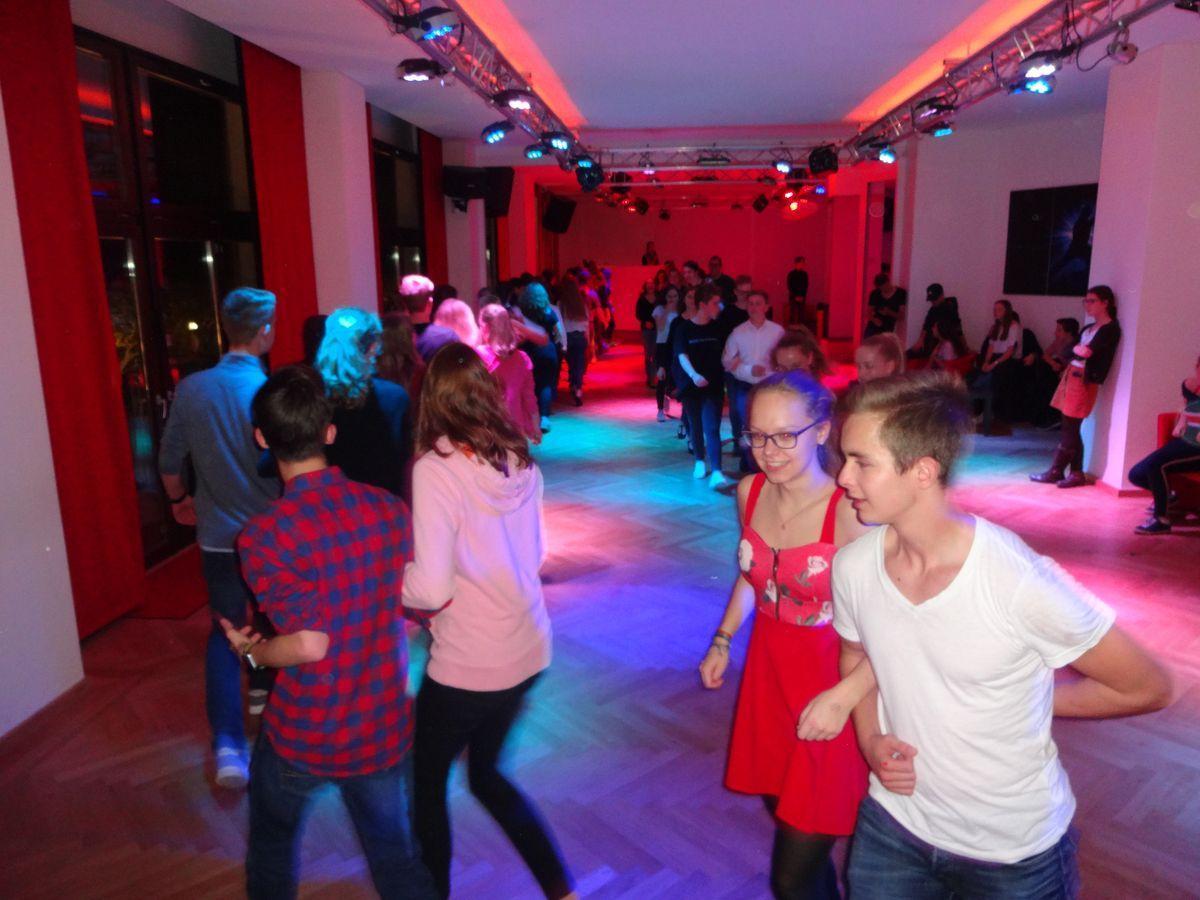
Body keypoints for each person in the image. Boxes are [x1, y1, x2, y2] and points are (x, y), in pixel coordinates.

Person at [832, 371, 1173, 898]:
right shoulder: (854, 567)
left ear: (922, 471)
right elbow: (856, 653)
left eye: (861, 462)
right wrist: (869, 738)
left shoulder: (1015, 581)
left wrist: (1029, 701)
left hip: (1012, 854)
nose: (843, 478)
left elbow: (1148, 686)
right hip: (894, 826)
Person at [222, 366, 437, 900]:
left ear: (263, 439)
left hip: (304, 732)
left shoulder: (263, 536)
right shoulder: (389, 510)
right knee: (397, 863)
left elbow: (309, 643)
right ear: (329, 432)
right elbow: (411, 614)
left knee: (271, 851)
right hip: (382, 724)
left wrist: (253, 653)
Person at [403, 344, 576, 900]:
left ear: (431, 399)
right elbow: (537, 554)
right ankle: (561, 889)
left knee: (425, 784)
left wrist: (390, 580)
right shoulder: (519, 457)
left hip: (470, 664)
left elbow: (430, 588)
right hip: (528, 649)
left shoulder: (436, 470)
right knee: (486, 776)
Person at [700, 369, 872, 898]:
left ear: (821, 431)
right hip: (768, 679)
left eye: (783, 436)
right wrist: (724, 637)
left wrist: (846, 697)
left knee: (790, 878)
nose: (767, 452)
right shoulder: (750, 492)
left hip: (831, 686)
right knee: (789, 824)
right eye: (756, 435)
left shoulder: (852, 512)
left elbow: (897, 626)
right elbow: (753, 574)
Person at [158, 286, 280, 789]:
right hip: (269, 536)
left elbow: (169, 463)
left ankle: (229, 744)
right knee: (272, 621)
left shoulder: (192, 389)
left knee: (225, 631)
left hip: (217, 537)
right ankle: (267, 708)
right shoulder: (269, 392)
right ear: (264, 331)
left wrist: (178, 501)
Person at [1031, 286, 1122, 488]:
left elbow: (1087, 352)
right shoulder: (1088, 328)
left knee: (1071, 425)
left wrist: (1079, 350)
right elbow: (1069, 351)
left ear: (1105, 303)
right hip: (1071, 375)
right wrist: (1077, 349)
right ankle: (1075, 472)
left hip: (1084, 379)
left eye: (1092, 301)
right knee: (1070, 426)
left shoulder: (1110, 329)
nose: (1087, 305)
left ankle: (1057, 470)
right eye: (1086, 301)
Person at [315, 307, 411, 499]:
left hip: (329, 503)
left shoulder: (311, 396)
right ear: (374, 347)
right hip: (381, 505)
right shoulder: (392, 398)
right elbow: (403, 463)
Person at [1128, 354, 1200, 534]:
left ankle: (1161, 519)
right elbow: (1186, 408)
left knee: (1155, 464)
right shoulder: (1190, 385)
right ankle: (1168, 497)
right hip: (1186, 441)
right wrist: (1181, 424)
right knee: (1136, 474)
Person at [675, 285, 731, 489]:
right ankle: (699, 460)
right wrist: (693, 375)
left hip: (713, 385)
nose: (719, 306)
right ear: (702, 304)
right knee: (695, 424)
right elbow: (682, 355)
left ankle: (717, 471)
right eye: (715, 303)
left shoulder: (719, 328)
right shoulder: (684, 328)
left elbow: (726, 353)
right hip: (691, 385)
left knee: (712, 427)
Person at [723, 290, 785, 473]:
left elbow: (783, 361)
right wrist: (749, 369)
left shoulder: (777, 332)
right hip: (745, 386)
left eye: (758, 303)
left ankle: (766, 460)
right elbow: (727, 361)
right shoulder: (738, 332)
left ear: (766, 307)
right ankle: (749, 462)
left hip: (770, 386)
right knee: (747, 424)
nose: (754, 307)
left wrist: (770, 371)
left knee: (767, 424)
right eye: (750, 303)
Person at [477, 303, 541, 443]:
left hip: (488, 428)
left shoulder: (478, 356)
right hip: (515, 428)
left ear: (485, 327)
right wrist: (535, 427)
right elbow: (529, 398)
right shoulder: (522, 359)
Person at [515, 282, 562, 434]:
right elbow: (558, 332)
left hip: (528, 351)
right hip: (547, 351)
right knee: (546, 384)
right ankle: (544, 417)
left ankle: (530, 416)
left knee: (530, 385)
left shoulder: (522, 311)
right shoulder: (549, 312)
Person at [970, 300, 1023, 424]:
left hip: (1008, 361)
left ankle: (987, 412)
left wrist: (993, 364)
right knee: (977, 375)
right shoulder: (996, 327)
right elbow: (991, 347)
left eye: (999, 309)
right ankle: (977, 410)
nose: (995, 312)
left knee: (993, 378)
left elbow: (1010, 351)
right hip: (995, 358)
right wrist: (986, 362)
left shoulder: (1014, 327)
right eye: (994, 309)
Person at [1026, 317, 1079, 427]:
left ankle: (1053, 418)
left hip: (1070, 375)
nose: (1055, 333)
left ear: (1069, 333)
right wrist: (1053, 364)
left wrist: (1062, 370)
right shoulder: (1058, 342)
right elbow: (1045, 354)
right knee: (1042, 370)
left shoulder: (1076, 346)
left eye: (1059, 330)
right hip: (1058, 371)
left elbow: (1074, 365)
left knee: (1046, 382)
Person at [377, 311, 427, 403]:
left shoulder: (372, 369)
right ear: (409, 337)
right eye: (413, 332)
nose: (416, 336)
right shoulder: (419, 371)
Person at [556, 278, 591, 406]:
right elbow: (586, 323)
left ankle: (573, 384)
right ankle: (578, 388)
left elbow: (559, 323)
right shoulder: (581, 303)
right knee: (579, 364)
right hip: (580, 337)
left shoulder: (561, 304)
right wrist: (587, 338)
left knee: (572, 364)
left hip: (568, 337)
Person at [905, 283, 957, 362]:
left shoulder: (949, 309)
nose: (932, 302)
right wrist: (920, 340)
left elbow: (954, 330)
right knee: (905, 355)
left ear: (942, 295)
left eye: (934, 299)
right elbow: (926, 325)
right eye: (931, 300)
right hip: (929, 342)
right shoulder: (933, 309)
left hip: (935, 344)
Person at [653, 286, 680, 422]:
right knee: (662, 377)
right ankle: (660, 409)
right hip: (662, 345)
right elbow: (660, 327)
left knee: (675, 376)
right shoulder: (659, 309)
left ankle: (670, 399)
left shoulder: (682, 311)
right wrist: (668, 310)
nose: (672, 299)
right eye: (669, 296)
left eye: (675, 296)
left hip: (676, 345)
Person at [863, 273, 906, 338]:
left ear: (888, 282)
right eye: (880, 288)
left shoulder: (900, 293)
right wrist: (874, 320)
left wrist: (889, 312)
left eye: (884, 287)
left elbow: (901, 316)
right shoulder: (875, 293)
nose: (883, 290)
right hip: (874, 325)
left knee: (883, 342)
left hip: (888, 326)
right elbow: (868, 311)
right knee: (868, 341)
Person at [636, 280, 659, 388]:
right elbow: (638, 314)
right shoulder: (641, 299)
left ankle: (653, 378)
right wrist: (645, 322)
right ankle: (649, 376)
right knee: (648, 354)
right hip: (646, 329)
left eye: (652, 283)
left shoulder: (659, 298)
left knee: (655, 353)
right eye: (648, 284)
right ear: (645, 286)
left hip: (658, 328)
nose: (650, 285)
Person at [787, 256, 809, 326]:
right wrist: (795, 297)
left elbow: (805, 286)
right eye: (801, 262)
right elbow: (790, 286)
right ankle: (792, 329)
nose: (802, 264)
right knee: (793, 315)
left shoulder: (804, 274)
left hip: (802, 297)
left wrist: (802, 296)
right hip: (793, 298)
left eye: (803, 263)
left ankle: (800, 329)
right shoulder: (791, 274)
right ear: (797, 263)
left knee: (801, 315)